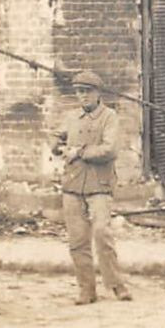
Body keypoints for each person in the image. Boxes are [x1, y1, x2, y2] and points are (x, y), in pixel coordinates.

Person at [50, 70, 131, 305]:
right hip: (73, 184)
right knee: (77, 239)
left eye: (87, 91)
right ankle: (86, 290)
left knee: (102, 233)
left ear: (98, 94)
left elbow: (110, 150)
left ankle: (117, 285)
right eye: (78, 91)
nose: (82, 96)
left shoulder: (109, 117)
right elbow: (55, 136)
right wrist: (58, 147)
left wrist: (79, 152)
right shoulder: (72, 117)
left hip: (100, 185)